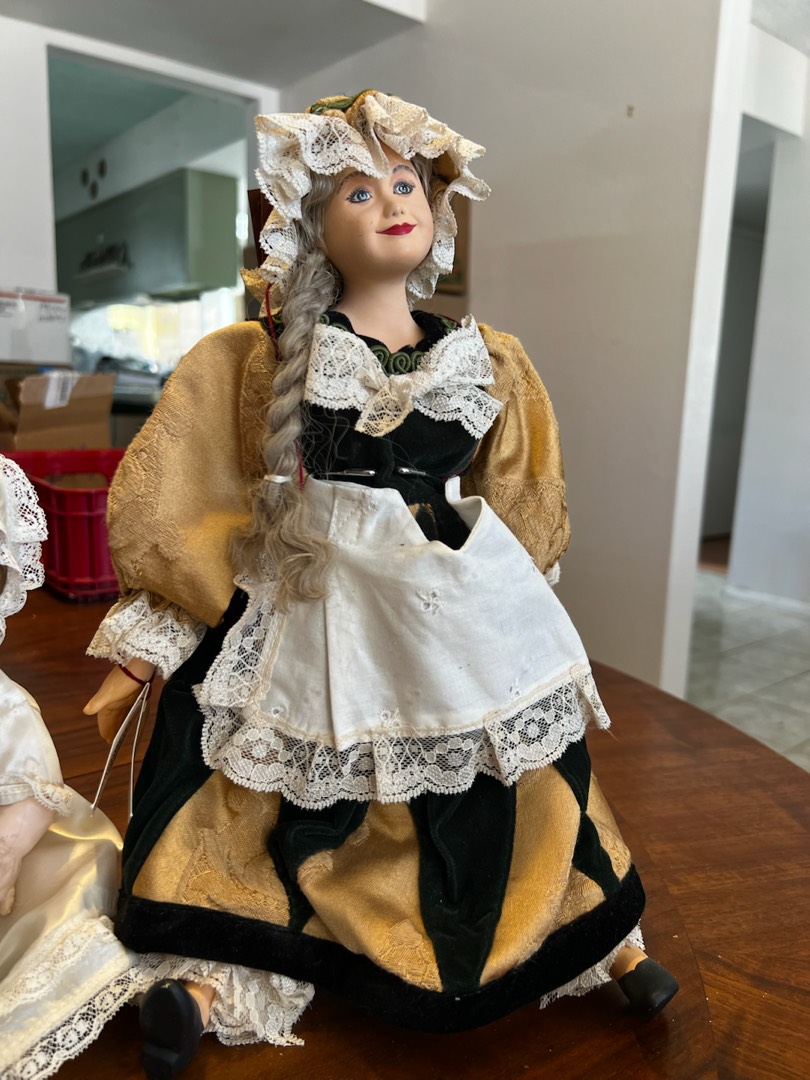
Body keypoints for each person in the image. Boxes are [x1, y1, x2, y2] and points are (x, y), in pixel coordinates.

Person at [84, 90, 678, 1079]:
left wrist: (518, 623)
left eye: (406, 184)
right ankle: (209, 970)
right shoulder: (258, 358)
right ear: (311, 225)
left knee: (516, 772)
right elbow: (195, 500)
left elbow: (524, 502)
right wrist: (151, 644)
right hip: (311, 597)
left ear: (436, 209)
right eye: (358, 191)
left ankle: (595, 938)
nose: (393, 203)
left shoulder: (489, 360)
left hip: (452, 609)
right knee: (251, 783)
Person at [0, 455, 143, 1080]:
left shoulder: (6, 709)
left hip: (13, 837)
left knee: (74, 888)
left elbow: (31, 792)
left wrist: (7, 852)